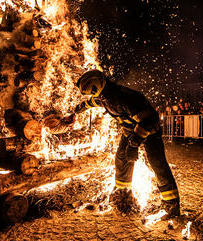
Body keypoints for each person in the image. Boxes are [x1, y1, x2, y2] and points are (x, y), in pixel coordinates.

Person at [70, 70, 180, 218]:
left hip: (150, 131)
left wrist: (134, 145)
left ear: (96, 87)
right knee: (121, 160)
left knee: (157, 164)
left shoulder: (124, 97)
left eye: (91, 93)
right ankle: (123, 196)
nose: (92, 97)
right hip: (129, 131)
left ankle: (171, 206)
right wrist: (82, 106)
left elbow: (149, 120)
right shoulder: (105, 95)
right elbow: (97, 102)